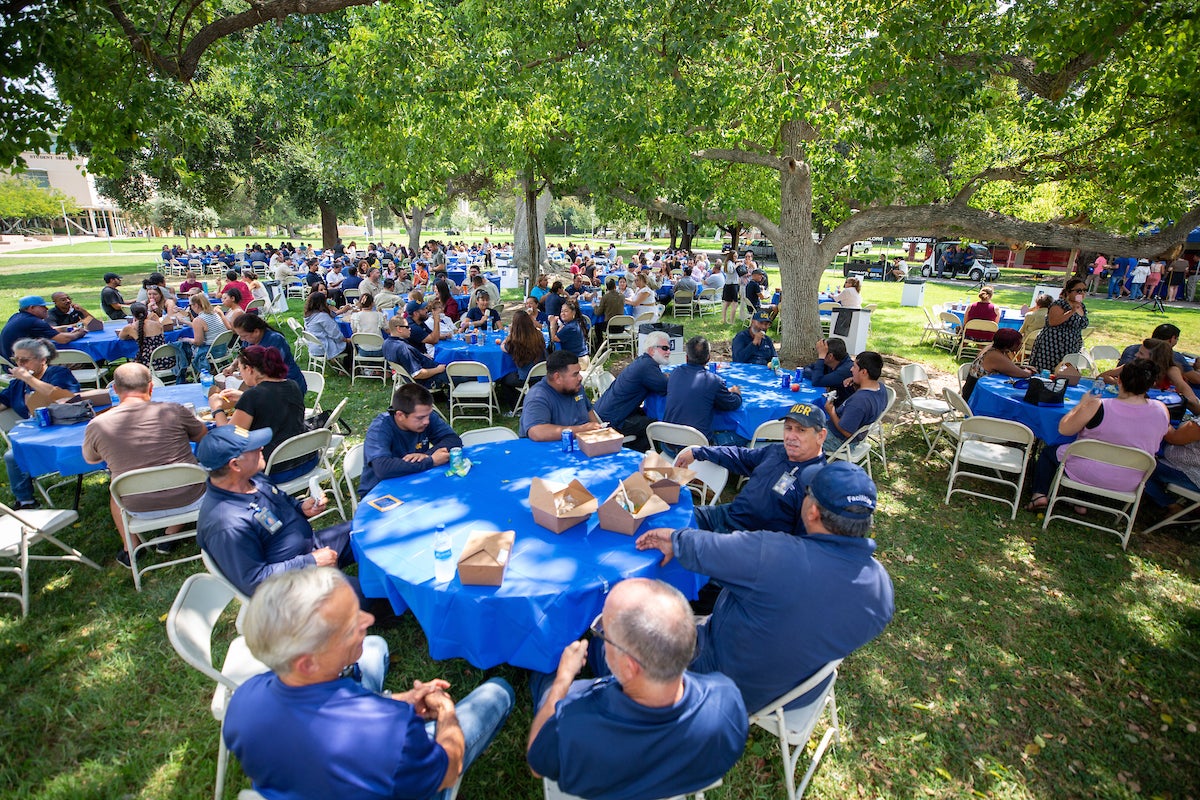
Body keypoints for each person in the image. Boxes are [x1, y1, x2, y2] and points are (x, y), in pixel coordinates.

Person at [224, 567, 515, 800]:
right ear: (307, 662)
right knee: (497, 691)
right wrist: (446, 711)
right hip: (403, 776)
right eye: (350, 624)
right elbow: (448, 771)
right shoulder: (390, 730)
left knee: (373, 646)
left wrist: (401, 700)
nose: (369, 618)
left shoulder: (243, 701)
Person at [635, 460, 894, 714]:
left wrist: (674, 538)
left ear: (813, 512)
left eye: (807, 493)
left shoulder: (775, 555)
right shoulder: (882, 589)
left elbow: (709, 549)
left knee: (621, 638)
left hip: (721, 677)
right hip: (798, 692)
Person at [526, 578, 747, 800]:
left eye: (603, 632)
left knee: (545, 676)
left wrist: (563, 679)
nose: (601, 634)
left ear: (629, 666)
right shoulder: (726, 702)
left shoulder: (576, 728)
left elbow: (537, 762)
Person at [196, 425, 359, 601]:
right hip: (293, 586)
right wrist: (311, 562)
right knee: (377, 593)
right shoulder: (226, 524)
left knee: (367, 530)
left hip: (310, 548)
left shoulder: (253, 479)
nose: (261, 447)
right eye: (253, 447)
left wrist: (301, 507)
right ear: (235, 464)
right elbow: (255, 581)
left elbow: (282, 500)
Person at [82, 363, 208, 565]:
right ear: (151, 387)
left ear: (114, 389)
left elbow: (91, 459)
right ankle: (169, 534)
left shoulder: (97, 425)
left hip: (137, 506)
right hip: (192, 498)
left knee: (116, 491)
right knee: (197, 471)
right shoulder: (174, 410)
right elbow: (203, 436)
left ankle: (130, 548)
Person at [1026, 359, 1171, 512]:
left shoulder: (1100, 405)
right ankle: (1081, 502)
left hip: (1087, 470)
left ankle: (1039, 494)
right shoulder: (1161, 410)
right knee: (1095, 455)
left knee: (1051, 452)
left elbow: (1064, 429)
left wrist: (1081, 404)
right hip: (1131, 479)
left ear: (1119, 380)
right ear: (1151, 384)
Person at [674, 402, 827, 534]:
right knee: (668, 516)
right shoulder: (776, 451)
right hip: (726, 515)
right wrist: (698, 452)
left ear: (820, 436)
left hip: (749, 541)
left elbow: (804, 542)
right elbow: (740, 456)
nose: (791, 436)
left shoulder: (817, 482)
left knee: (676, 546)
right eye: (788, 428)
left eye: (801, 430)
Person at [208, 345, 314, 483]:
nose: (240, 375)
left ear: (249, 369)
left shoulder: (252, 397)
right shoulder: (292, 385)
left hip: (275, 469)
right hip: (307, 458)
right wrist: (244, 396)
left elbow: (228, 440)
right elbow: (272, 400)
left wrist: (217, 409)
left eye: (240, 371)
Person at [0, 339, 81, 509]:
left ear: (42, 359)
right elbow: (3, 400)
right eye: (17, 360)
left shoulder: (58, 373)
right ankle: (26, 502)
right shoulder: (17, 384)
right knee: (11, 456)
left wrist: (30, 379)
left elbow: (68, 398)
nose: (20, 364)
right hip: (39, 434)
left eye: (25, 360)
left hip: (70, 429)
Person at [359, 384, 463, 497]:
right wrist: (431, 461)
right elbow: (382, 468)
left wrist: (426, 456)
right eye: (420, 418)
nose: (427, 421)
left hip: (414, 481)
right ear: (400, 415)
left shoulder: (425, 416)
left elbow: (453, 439)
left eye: (428, 415)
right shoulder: (380, 428)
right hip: (380, 492)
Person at [593, 332, 670, 451]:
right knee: (655, 425)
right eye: (664, 348)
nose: (668, 352)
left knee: (646, 415)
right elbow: (666, 387)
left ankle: (638, 448)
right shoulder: (647, 367)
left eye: (669, 348)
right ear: (651, 350)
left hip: (604, 414)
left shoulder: (643, 362)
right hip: (613, 421)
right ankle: (650, 455)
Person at [663, 336, 742, 446]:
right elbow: (732, 404)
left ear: (686, 358)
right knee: (743, 436)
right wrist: (736, 393)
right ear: (708, 358)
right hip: (697, 450)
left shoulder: (675, 373)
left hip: (667, 444)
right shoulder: (713, 381)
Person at [518, 350, 601, 440]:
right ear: (557, 377)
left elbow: (589, 412)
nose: (580, 378)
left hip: (584, 445)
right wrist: (582, 430)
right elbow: (537, 432)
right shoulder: (538, 396)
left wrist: (599, 433)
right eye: (575, 374)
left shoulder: (576, 388)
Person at [823, 351, 888, 454]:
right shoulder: (881, 388)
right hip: (857, 435)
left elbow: (847, 432)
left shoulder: (859, 402)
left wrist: (831, 411)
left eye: (854, 367)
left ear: (864, 372)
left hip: (838, 441)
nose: (851, 369)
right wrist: (856, 381)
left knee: (794, 432)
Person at [230, 313, 307, 394]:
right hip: (265, 385)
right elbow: (243, 354)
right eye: (240, 336)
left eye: (244, 336)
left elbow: (272, 368)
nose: (242, 339)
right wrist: (233, 366)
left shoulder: (276, 340)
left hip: (286, 385)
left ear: (256, 332)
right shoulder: (249, 341)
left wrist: (245, 374)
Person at [1027, 279, 1089, 373]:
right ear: (1069, 291)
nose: (1082, 293)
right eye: (1079, 291)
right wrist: (1071, 311)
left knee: (1065, 373)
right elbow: (1053, 322)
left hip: (1071, 345)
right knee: (1048, 372)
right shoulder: (1059, 304)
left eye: (1085, 290)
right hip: (1053, 344)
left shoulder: (1082, 306)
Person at [1, 296, 85, 359]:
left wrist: (69, 327)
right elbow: (63, 339)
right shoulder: (34, 321)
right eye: (42, 306)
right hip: (23, 364)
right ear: (32, 308)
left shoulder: (17, 317)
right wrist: (79, 333)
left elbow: (49, 329)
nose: (46, 308)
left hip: (9, 362)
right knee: (76, 361)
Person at [961, 328, 1035, 400]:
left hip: (973, 391)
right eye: (1019, 343)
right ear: (1010, 344)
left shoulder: (990, 348)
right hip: (976, 397)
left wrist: (1021, 367)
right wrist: (1030, 371)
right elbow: (1023, 374)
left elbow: (1009, 367)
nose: (1021, 345)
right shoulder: (995, 356)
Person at [382, 316, 450, 390]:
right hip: (427, 381)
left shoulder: (386, 344)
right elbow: (417, 374)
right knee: (460, 375)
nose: (410, 329)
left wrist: (421, 355)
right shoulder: (403, 348)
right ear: (399, 329)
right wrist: (438, 369)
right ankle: (455, 399)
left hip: (412, 379)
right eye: (407, 327)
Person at [498, 310, 548, 404]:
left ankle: (515, 404)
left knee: (504, 378)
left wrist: (509, 336)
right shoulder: (539, 335)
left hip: (525, 377)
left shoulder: (514, 341)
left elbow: (503, 347)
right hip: (542, 373)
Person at [118, 302, 178, 378]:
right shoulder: (158, 324)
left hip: (147, 362)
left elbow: (121, 337)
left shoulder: (131, 327)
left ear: (133, 315)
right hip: (167, 360)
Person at [179, 293, 229, 376]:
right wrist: (186, 322)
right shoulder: (214, 314)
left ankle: (183, 374)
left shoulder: (199, 320)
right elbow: (203, 326)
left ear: (196, 305)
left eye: (190, 305)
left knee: (181, 345)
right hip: (223, 348)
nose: (190, 307)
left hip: (211, 352)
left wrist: (185, 339)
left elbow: (198, 342)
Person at [304, 292, 351, 372]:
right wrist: (346, 340)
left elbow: (332, 315)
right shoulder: (322, 316)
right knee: (351, 346)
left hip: (313, 346)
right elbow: (335, 334)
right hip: (323, 347)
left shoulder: (309, 315)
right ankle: (346, 369)